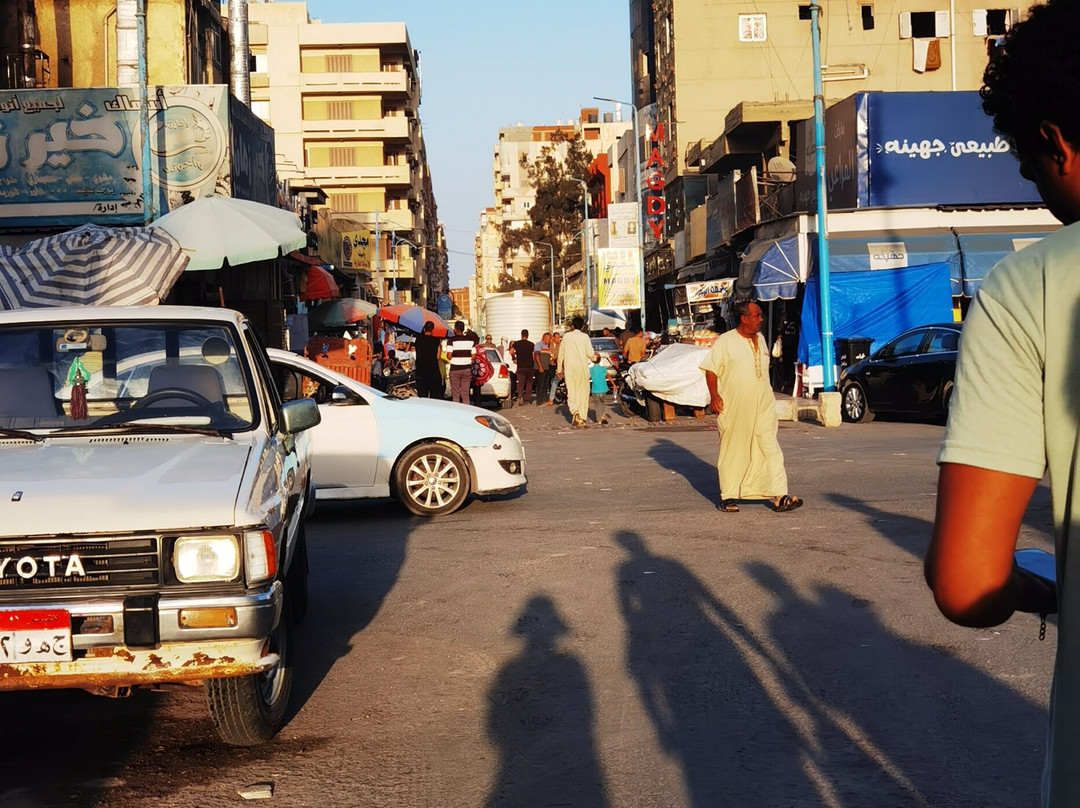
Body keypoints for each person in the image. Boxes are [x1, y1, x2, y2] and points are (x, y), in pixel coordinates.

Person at [924, 3, 1079, 803]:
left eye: (1028, 163)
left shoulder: (1030, 288)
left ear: (1056, 142)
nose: (1033, 184)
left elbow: (967, 582)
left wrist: (1043, 588)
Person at [699, 299, 802, 513]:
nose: (761, 320)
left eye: (761, 315)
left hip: (763, 405)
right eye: (757, 316)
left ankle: (779, 495)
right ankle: (728, 496)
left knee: (769, 447)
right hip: (734, 407)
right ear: (744, 318)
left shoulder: (761, 339)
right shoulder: (726, 341)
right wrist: (714, 396)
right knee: (734, 449)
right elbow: (711, 370)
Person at [558, 316, 592, 427]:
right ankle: (582, 416)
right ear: (582, 327)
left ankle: (574, 411)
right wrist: (595, 358)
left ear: (572, 326)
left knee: (571, 391)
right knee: (583, 393)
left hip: (569, 368)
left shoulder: (566, 337)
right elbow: (591, 353)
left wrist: (559, 369)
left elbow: (561, 354)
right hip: (582, 368)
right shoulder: (585, 337)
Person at [446, 320, 477, 405]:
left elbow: (449, 356)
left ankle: (457, 410)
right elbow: (474, 356)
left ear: (455, 329)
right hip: (467, 369)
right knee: (465, 393)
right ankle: (466, 409)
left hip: (455, 369)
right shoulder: (471, 341)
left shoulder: (451, 341)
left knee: (455, 394)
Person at [413, 321, 443, 398]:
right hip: (433, 371)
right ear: (433, 329)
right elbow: (438, 357)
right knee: (435, 397)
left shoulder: (418, 340)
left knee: (422, 397)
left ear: (424, 328)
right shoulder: (436, 340)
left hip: (421, 372)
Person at [509, 329, 536, 406]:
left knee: (520, 382)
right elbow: (533, 355)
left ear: (521, 335)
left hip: (520, 366)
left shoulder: (516, 344)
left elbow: (511, 351)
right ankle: (527, 398)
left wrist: (514, 358)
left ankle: (520, 395)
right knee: (529, 382)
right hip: (530, 366)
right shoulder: (531, 344)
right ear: (528, 335)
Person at [588, 353, 612, 426]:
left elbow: (587, 378)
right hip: (603, 389)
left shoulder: (591, 369)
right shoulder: (603, 368)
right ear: (600, 360)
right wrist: (614, 385)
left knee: (597, 404)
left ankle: (599, 419)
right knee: (602, 403)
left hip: (595, 390)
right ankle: (602, 416)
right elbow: (608, 376)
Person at [541, 331, 561, 406]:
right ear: (553, 338)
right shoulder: (549, 345)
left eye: (559, 338)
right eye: (557, 338)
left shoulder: (561, 345)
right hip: (549, 364)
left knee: (554, 380)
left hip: (557, 364)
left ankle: (554, 396)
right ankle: (549, 395)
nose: (558, 339)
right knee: (549, 380)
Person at [534, 333, 553, 407]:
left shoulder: (547, 346)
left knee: (545, 384)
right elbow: (537, 355)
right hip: (541, 368)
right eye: (549, 339)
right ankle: (539, 401)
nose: (549, 340)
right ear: (544, 338)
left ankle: (544, 399)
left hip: (546, 368)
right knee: (540, 384)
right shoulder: (539, 344)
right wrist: (540, 366)